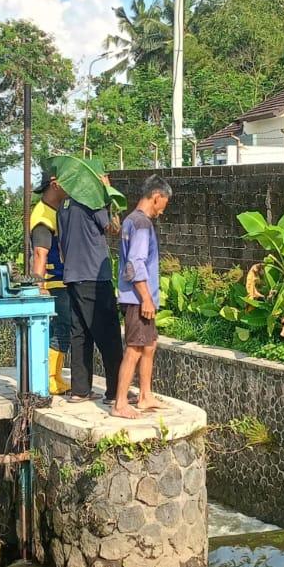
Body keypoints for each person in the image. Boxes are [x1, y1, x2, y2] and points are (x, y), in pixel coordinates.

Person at [55, 159, 124, 404]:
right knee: (109, 335)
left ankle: (80, 390)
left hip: (72, 276)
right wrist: (109, 196)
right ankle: (116, 391)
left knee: (80, 334)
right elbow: (114, 229)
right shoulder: (92, 202)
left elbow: (62, 244)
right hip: (94, 276)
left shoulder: (63, 206)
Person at [111, 176, 172, 419]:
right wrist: (146, 298)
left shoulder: (130, 220)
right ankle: (120, 403)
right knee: (135, 348)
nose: (163, 209)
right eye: (164, 202)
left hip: (138, 296)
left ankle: (145, 395)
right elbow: (135, 264)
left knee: (149, 344)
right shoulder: (142, 224)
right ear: (157, 197)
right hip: (138, 298)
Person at [28, 169, 71, 395]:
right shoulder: (43, 215)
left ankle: (57, 375)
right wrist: (39, 285)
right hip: (53, 283)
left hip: (62, 280)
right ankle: (50, 376)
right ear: (54, 184)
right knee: (60, 328)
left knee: (64, 328)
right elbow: (39, 253)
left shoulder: (54, 211)